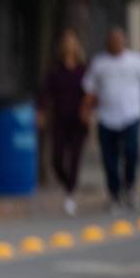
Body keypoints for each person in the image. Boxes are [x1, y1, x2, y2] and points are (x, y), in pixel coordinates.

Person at [80, 27, 140, 211]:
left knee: (131, 153)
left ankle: (129, 188)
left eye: (119, 40)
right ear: (107, 43)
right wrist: (85, 110)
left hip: (131, 115)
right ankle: (114, 193)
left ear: (125, 42)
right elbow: (90, 91)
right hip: (106, 118)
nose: (116, 43)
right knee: (109, 159)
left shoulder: (136, 61)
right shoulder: (99, 63)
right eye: (112, 40)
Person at [37, 29, 88, 216]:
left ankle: (70, 194)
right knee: (57, 159)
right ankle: (69, 185)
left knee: (74, 157)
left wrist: (88, 112)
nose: (69, 46)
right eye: (66, 42)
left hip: (79, 121)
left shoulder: (84, 70)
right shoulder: (55, 70)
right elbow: (44, 92)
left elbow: (91, 94)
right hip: (59, 119)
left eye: (72, 42)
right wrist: (40, 111)